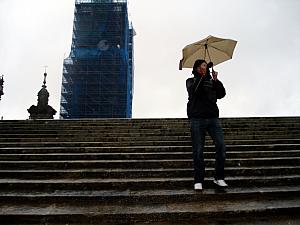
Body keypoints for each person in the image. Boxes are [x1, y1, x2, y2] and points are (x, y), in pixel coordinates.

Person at [186, 59, 228, 191]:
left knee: (221, 146)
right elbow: (194, 91)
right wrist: (203, 77)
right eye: (203, 66)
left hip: (212, 118)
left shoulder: (211, 81)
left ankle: (219, 177)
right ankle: (198, 180)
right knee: (198, 150)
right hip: (197, 119)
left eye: (206, 66)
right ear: (198, 68)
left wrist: (215, 80)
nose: (206, 67)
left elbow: (221, 94)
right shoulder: (190, 81)